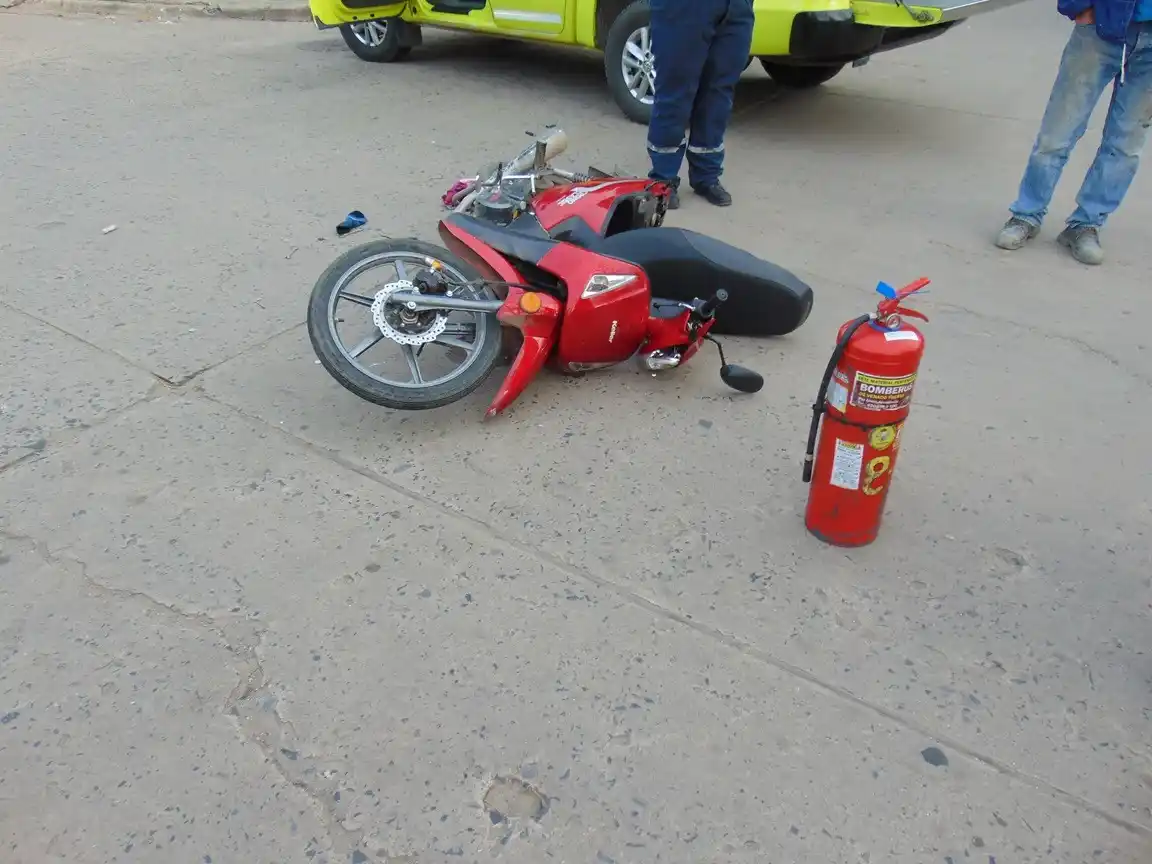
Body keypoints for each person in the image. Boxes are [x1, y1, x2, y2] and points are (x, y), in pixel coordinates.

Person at [995, 0, 1152, 265]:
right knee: (1058, 132)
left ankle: (1086, 225)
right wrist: (1077, 5)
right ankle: (1026, 214)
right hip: (1102, 26)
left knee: (1126, 143)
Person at [646, 0, 755, 209]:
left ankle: (707, 176)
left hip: (737, 7)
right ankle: (663, 178)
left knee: (719, 91)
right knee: (676, 90)